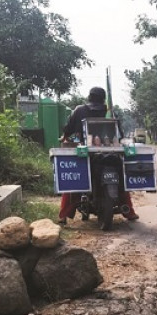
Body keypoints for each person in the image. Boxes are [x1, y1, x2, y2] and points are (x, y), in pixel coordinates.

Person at [58, 87, 138, 224]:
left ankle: (64, 215)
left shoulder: (79, 110)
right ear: (103, 99)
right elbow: (120, 135)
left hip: (86, 154)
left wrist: (64, 137)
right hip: (110, 153)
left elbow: (67, 130)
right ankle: (129, 212)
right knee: (122, 181)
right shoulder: (109, 112)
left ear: (89, 97)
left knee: (74, 180)